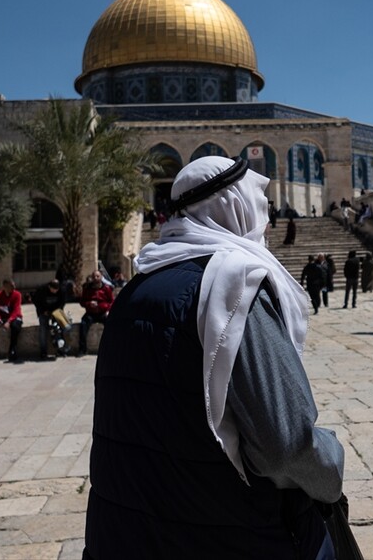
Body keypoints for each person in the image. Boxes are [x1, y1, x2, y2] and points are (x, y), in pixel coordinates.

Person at [83, 155, 344, 559]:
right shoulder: (233, 287)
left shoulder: (136, 287)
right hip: (228, 535)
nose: (267, 222)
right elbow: (286, 447)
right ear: (235, 208)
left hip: (126, 533)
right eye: (261, 208)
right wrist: (331, 462)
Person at [78, 270, 114, 356]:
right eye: (94, 276)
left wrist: (107, 309)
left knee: (111, 325)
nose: (96, 278)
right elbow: (82, 302)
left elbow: (112, 302)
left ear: (101, 277)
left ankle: (111, 348)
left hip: (103, 313)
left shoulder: (107, 288)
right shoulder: (87, 288)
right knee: (83, 324)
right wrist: (89, 303)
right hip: (91, 313)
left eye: (98, 276)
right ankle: (82, 349)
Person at [32, 279, 69, 360]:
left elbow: (62, 303)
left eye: (56, 290)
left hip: (56, 311)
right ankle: (43, 351)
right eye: (53, 289)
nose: (55, 291)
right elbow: (36, 301)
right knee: (43, 328)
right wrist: (43, 311)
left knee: (59, 328)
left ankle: (61, 349)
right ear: (49, 287)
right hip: (44, 311)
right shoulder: (42, 290)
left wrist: (57, 311)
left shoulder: (61, 290)